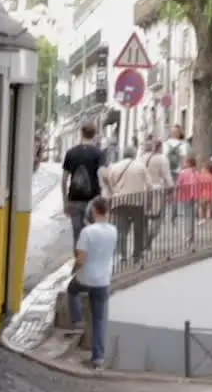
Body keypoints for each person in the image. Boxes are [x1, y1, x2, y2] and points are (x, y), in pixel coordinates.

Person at [67, 196, 118, 370]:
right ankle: (98, 358)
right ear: (107, 211)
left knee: (72, 290)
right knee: (99, 320)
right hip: (103, 280)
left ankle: (77, 320)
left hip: (86, 277)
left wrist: (73, 270)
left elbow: (81, 258)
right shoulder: (113, 230)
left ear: (94, 211)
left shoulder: (87, 232)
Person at [101, 146, 151, 264]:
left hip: (119, 202)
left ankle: (122, 255)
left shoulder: (114, 167)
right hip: (137, 201)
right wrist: (148, 200)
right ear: (134, 154)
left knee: (121, 230)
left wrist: (111, 199)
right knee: (138, 229)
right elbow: (149, 185)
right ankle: (136, 255)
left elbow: (110, 185)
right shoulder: (140, 166)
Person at [61, 121, 104, 247]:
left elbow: (64, 180)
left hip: (74, 200)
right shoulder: (98, 154)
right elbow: (102, 176)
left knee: (77, 234)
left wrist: (65, 201)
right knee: (92, 233)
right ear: (94, 134)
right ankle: (89, 262)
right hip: (93, 200)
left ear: (81, 134)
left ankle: (79, 262)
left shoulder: (71, 153)